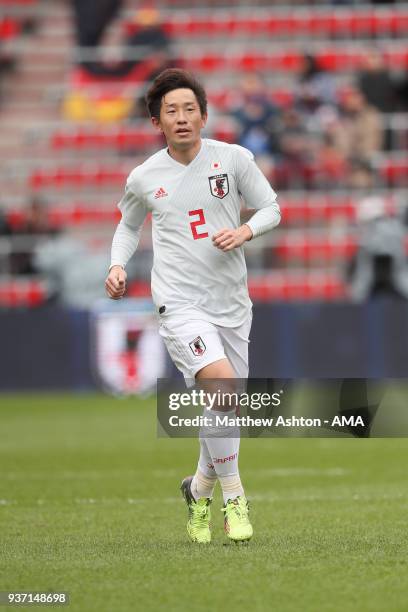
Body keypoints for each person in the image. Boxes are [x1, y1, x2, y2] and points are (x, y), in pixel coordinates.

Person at [105, 68, 281, 544]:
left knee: (225, 404)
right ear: (157, 122)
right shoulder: (144, 177)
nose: (181, 118)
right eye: (170, 111)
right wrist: (118, 266)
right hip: (179, 302)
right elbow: (127, 225)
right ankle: (234, 497)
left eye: (188, 109)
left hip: (231, 302)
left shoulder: (234, 159)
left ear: (203, 115)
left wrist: (245, 231)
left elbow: (272, 208)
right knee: (222, 388)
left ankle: (198, 488)